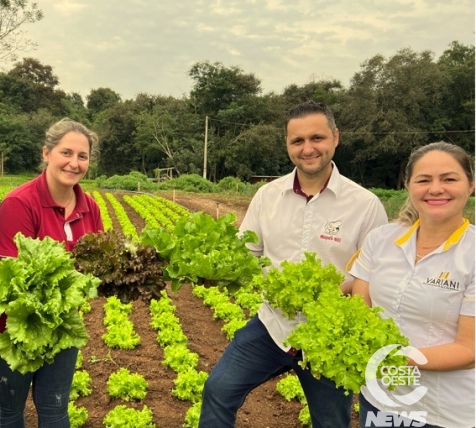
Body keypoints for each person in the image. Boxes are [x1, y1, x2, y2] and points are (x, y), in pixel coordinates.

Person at [199, 101, 389, 427]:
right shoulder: (268, 196)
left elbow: (377, 278)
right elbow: (248, 253)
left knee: (331, 422)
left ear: (335, 138)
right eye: (297, 141)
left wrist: (334, 297)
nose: (308, 148)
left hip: (328, 339)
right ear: (287, 145)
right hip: (272, 326)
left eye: (317, 138)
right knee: (218, 390)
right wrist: (216, 270)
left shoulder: (366, 205)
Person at [0, 118, 103, 428]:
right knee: (10, 411)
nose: (74, 163)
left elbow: (97, 266)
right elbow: (12, 278)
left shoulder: (90, 207)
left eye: (82, 156)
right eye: (66, 153)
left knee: (55, 410)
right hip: (12, 324)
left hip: (61, 325)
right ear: (47, 153)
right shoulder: (21, 203)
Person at [350, 142, 474, 428]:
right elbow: (361, 311)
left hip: (445, 413)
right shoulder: (381, 239)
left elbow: (469, 351)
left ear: (470, 186)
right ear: (408, 186)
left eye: (449, 179)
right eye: (424, 180)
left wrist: (387, 356)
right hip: (381, 399)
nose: (435, 189)